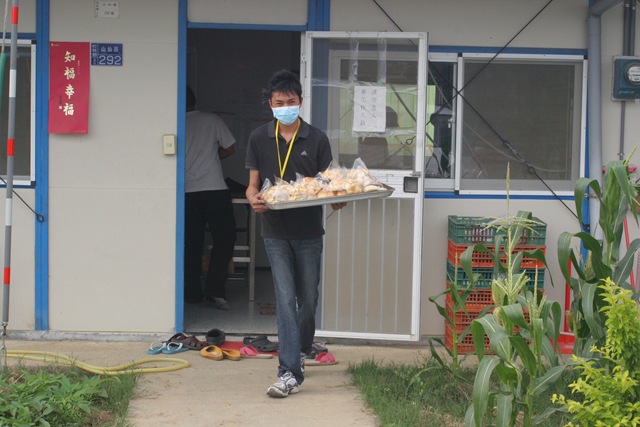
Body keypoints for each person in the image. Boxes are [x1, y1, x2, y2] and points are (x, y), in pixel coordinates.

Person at [245, 70, 345, 398]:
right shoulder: (259, 137)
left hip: (309, 232)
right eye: (279, 102)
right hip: (274, 232)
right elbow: (252, 186)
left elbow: (330, 182)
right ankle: (288, 372)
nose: (285, 107)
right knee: (286, 300)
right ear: (270, 104)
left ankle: (301, 348)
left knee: (308, 300)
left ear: (300, 101)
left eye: (290, 101)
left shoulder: (316, 138)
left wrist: (338, 196)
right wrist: (254, 199)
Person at [184, 86, 236, 310]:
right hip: (214, 188)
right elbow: (230, 149)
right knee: (225, 238)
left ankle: (192, 292)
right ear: (195, 101)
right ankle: (215, 290)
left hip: (186, 191)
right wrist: (211, 156)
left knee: (190, 243)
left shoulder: (173, 122)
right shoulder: (211, 119)